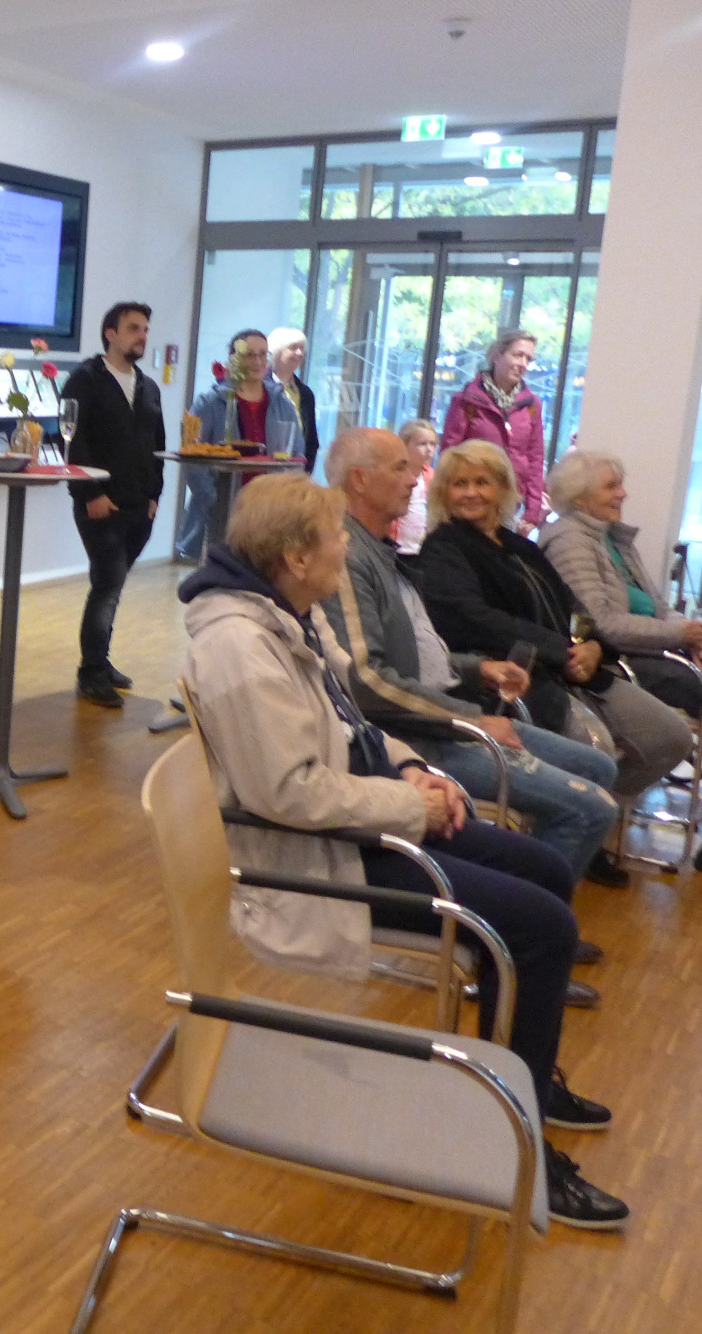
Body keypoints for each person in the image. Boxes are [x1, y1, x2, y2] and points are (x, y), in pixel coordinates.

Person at [179, 472, 629, 1231]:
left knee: (547, 871)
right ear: (295, 558)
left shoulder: (288, 616)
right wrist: (410, 806)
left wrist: (413, 769)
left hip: (361, 820)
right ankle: (517, 1145)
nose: (343, 548)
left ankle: (518, 1082)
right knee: (542, 926)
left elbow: (354, 727)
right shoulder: (241, 648)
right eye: (332, 538)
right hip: (320, 858)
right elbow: (288, 796)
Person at [320, 428, 624, 916]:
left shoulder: (379, 548)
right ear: (359, 480)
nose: (415, 479)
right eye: (401, 468)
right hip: (412, 735)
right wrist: (473, 719)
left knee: (599, 767)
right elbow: (366, 681)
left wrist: (478, 667)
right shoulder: (350, 555)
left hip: (441, 716)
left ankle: (524, 908)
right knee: (590, 807)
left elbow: (420, 655)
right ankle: (525, 924)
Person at [414, 442, 697, 878]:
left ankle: (587, 826)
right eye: (459, 484)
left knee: (670, 736)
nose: (470, 493)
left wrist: (593, 645)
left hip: (578, 670)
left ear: (502, 489)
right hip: (516, 681)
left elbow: (573, 607)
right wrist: (561, 651)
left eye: (482, 482)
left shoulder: (518, 546)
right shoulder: (443, 549)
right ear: (443, 492)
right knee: (596, 750)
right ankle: (574, 831)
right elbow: (475, 619)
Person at [540, 450, 702, 893]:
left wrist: (689, 634)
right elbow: (601, 622)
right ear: (580, 497)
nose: (623, 493)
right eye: (611, 486)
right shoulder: (569, 540)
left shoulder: (612, 539)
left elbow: (658, 606)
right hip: (623, 660)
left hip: (657, 650)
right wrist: (677, 633)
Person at [61, 301, 164, 707]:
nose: (142, 336)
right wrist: (90, 494)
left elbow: (158, 445)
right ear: (111, 334)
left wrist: (155, 496)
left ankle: (100, 661)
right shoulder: (85, 380)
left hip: (140, 506)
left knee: (112, 585)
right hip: (101, 503)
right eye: (134, 328)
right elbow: (72, 440)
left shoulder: (149, 387)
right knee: (107, 584)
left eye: (145, 329)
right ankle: (90, 672)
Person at [178, 328, 303, 561]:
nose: (257, 361)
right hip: (223, 512)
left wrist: (284, 498)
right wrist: (211, 496)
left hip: (268, 512)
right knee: (221, 574)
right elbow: (191, 453)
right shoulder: (210, 402)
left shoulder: (282, 405)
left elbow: (296, 454)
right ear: (233, 360)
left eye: (262, 354)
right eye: (249, 355)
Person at [442, 329, 547, 531]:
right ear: (497, 355)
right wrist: (446, 500)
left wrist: (533, 510)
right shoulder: (466, 400)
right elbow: (449, 454)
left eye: (528, 358)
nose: (523, 364)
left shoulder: (531, 405)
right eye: (517, 355)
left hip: (510, 502)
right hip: (471, 500)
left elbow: (535, 458)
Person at [266, 326, 320, 474]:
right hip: (266, 467)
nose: (300, 353)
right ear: (276, 351)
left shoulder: (306, 393)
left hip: (296, 470)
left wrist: (305, 473)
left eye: (302, 349)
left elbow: (311, 439)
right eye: (293, 348)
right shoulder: (261, 388)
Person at [393, 417, 437, 556]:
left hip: (421, 549)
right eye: (422, 444)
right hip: (396, 547)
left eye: (433, 444)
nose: (429, 449)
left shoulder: (432, 476)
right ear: (404, 445)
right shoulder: (395, 475)